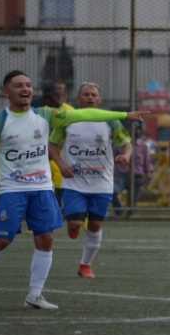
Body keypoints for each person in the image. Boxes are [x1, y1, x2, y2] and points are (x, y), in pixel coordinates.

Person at [0, 71, 145, 309]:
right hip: (13, 189)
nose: (25, 89)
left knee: (46, 240)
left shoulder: (46, 115)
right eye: (18, 86)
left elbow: (85, 114)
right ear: (7, 92)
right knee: (3, 240)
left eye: (28, 85)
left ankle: (35, 295)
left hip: (43, 189)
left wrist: (125, 114)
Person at [48, 82, 132, 279]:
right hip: (74, 182)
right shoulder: (67, 119)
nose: (90, 98)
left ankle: (85, 265)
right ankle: (74, 225)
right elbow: (52, 145)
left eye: (94, 95)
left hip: (101, 183)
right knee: (75, 224)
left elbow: (126, 143)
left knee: (95, 226)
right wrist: (61, 165)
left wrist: (126, 156)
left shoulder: (110, 121)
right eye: (86, 94)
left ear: (99, 99)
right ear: (79, 99)